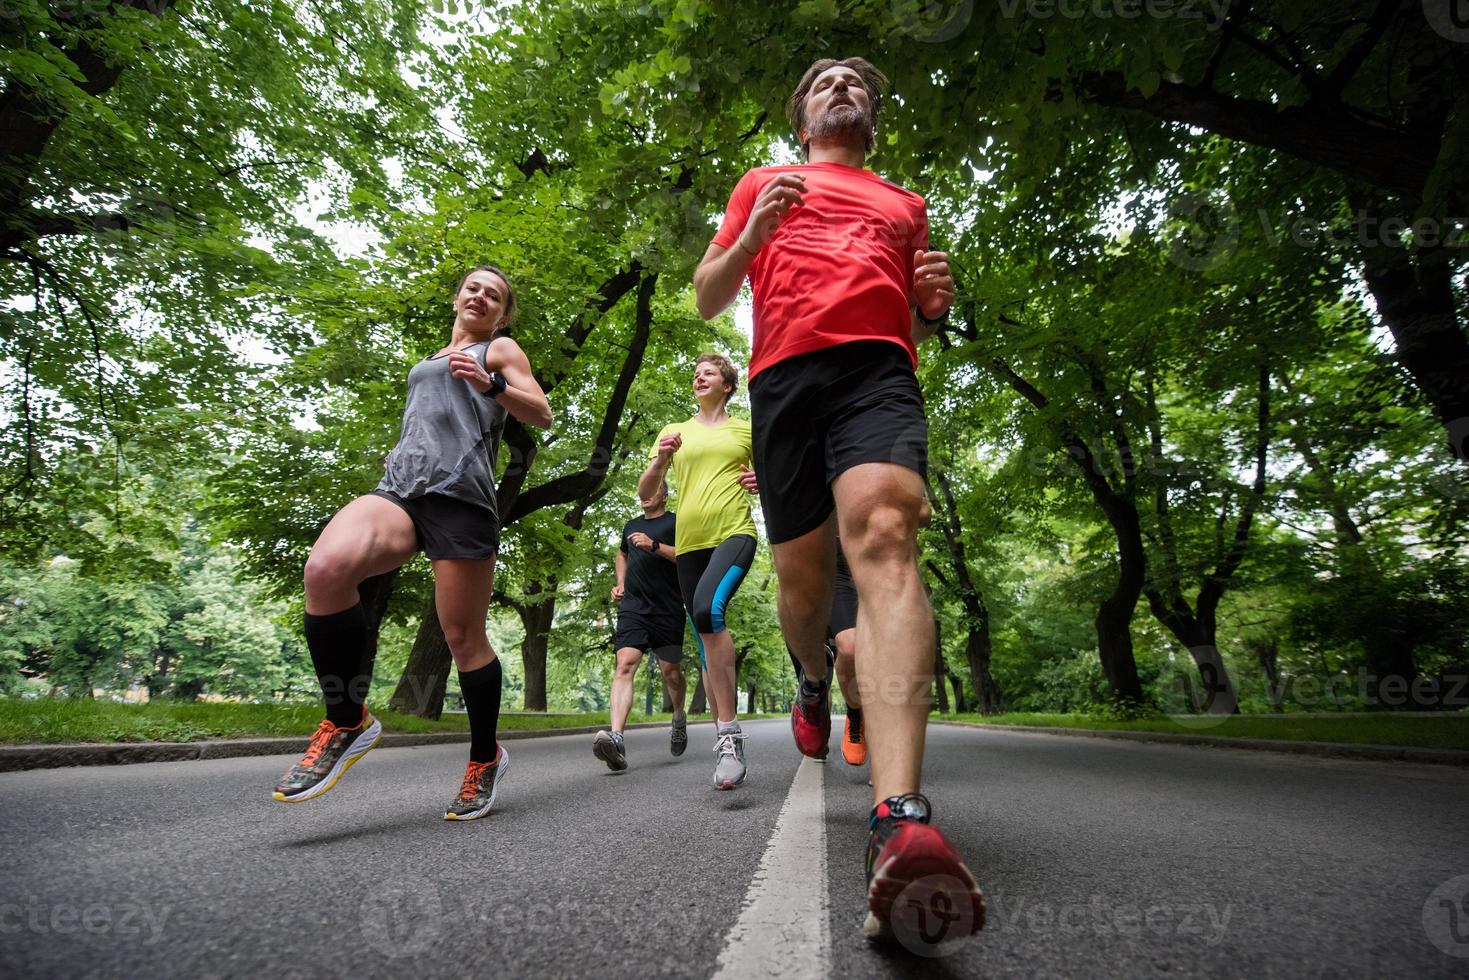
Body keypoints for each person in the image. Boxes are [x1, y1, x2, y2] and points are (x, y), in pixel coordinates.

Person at [693, 57, 985, 942]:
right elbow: (709, 296)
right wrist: (751, 239)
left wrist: (928, 314)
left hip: (877, 376)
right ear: (802, 115)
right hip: (782, 377)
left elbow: (910, 323)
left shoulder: (905, 204)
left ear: (873, 114)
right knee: (803, 587)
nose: (840, 87)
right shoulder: (763, 181)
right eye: (823, 82)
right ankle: (816, 683)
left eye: (855, 82)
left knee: (890, 532)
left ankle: (900, 816)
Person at [273, 265, 552, 822]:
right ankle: (347, 719)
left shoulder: (498, 351)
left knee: (462, 637)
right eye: (473, 288)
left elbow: (540, 413)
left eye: (493, 296)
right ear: (457, 297)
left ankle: (483, 758)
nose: (481, 296)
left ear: (501, 314)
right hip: (402, 489)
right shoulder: (426, 361)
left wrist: (490, 384)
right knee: (326, 569)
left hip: (462, 500)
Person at [637, 353, 759, 790]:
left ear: (727, 385)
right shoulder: (674, 432)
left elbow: (774, 472)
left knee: (709, 611)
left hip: (735, 533)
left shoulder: (746, 427)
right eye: (695, 373)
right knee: (706, 638)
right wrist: (659, 461)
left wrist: (760, 480)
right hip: (689, 545)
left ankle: (729, 735)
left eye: (709, 372)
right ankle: (728, 740)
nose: (699, 376)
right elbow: (645, 493)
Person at [592, 481, 688, 771]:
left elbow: (687, 556)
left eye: (651, 491)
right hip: (634, 607)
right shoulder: (630, 525)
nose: (645, 496)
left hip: (668, 610)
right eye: (642, 492)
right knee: (625, 663)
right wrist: (620, 583)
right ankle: (617, 738)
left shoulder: (677, 522)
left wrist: (654, 545)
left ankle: (679, 717)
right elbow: (622, 554)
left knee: (670, 673)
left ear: (664, 495)